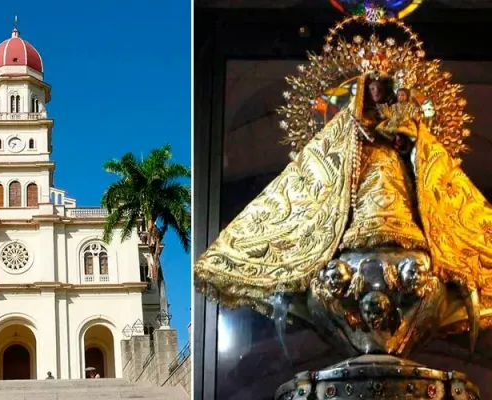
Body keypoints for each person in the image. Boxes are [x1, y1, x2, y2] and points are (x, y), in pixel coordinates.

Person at [194, 68, 492, 348]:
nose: (376, 94)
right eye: (371, 89)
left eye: (381, 89)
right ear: (364, 92)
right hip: (360, 200)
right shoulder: (349, 126)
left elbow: (416, 150)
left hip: (397, 190)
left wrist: (402, 139)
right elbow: (330, 161)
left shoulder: (401, 117)